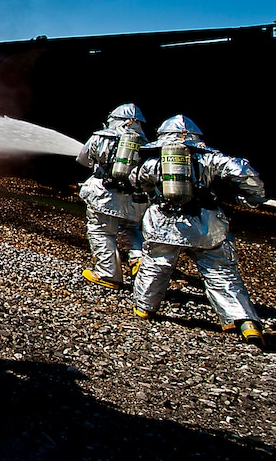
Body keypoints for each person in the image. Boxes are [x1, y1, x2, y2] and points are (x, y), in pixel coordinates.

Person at [130, 115, 267, 348]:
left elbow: (137, 180)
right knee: (221, 271)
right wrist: (252, 198)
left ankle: (144, 308)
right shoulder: (212, 159)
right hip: (208, 225)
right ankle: (245, 321)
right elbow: (244, 172)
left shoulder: (155, 162)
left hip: (165, 223)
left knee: (156, 265)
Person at [76, 104, 149, 289]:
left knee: (101, 231)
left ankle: (107, 274)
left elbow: (82, 159)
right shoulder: (146, 144)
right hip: (134, 197)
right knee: (130, 228)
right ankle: (139, 261)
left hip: (104, 194)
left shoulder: (101, 137)